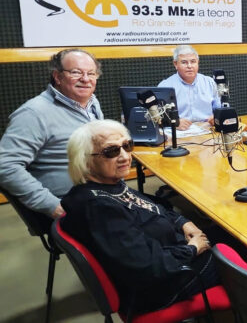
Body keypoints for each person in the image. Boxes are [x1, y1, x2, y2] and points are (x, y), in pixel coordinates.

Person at [61, 119, 220, 314]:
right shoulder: (100, 208)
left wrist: (184, 222)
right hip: (162, 287)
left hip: (170, 258)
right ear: (85, 161)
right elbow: (147, 267)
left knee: (225, 233)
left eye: (127, 146)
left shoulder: (110, 185)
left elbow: (153, 205)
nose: (124, 156)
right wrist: (193, 249)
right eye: (111, 151)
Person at [0, 49, 103, 220]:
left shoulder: (91, 102)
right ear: (57, 76)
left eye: (91, 73)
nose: (85, 79)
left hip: (98, 193)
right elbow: (5, 166)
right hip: (71, 204)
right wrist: (54, 207)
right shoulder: (33, 113)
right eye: (76, 72)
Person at [158, 45, 220, 130]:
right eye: (184, 62)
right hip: (179, 134)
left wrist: (216, 117)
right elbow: (157, 118)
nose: (189, 66)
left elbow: (220, 109)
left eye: (193, 61)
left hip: (207, 131)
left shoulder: (209, 82)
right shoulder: (165, 86)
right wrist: (174, 123)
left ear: (198, 62)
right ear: (175, 64)